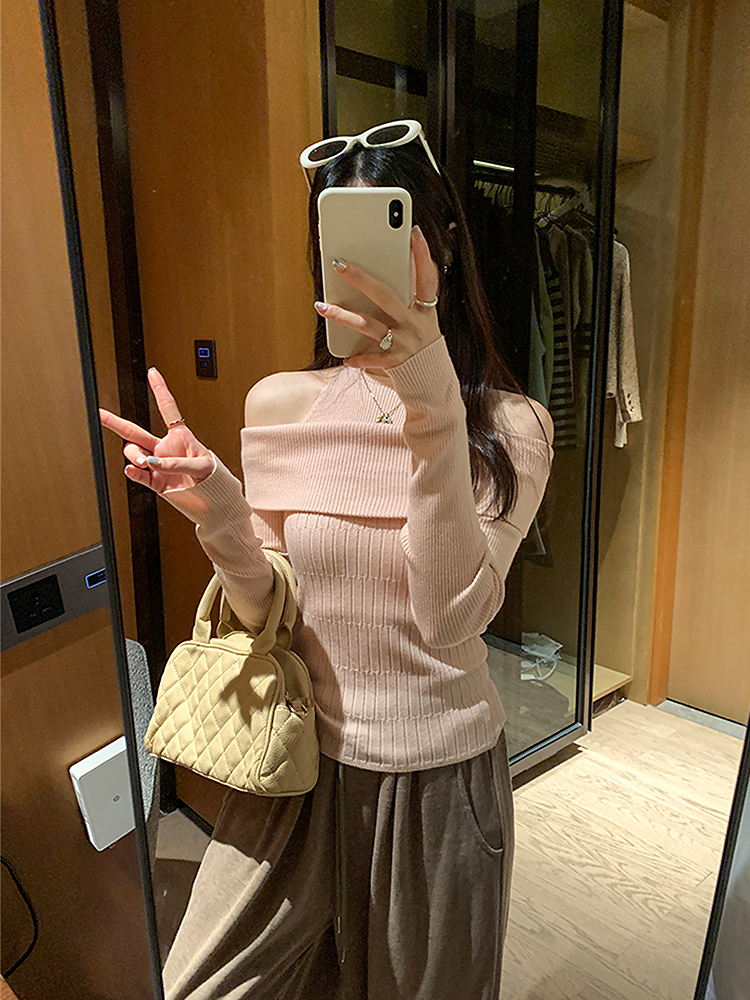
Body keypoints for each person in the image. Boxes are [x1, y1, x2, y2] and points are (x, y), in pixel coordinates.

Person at [100, 120, 554, 1000]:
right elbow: (264, 605)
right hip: (296, 769)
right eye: (336, 246)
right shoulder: (281, 404)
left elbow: (450, 616)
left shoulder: (510, 428)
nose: (357, 269)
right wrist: (221, 514)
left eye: (385, 234)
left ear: (441, 246)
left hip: (439, 785)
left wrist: (431, 399)